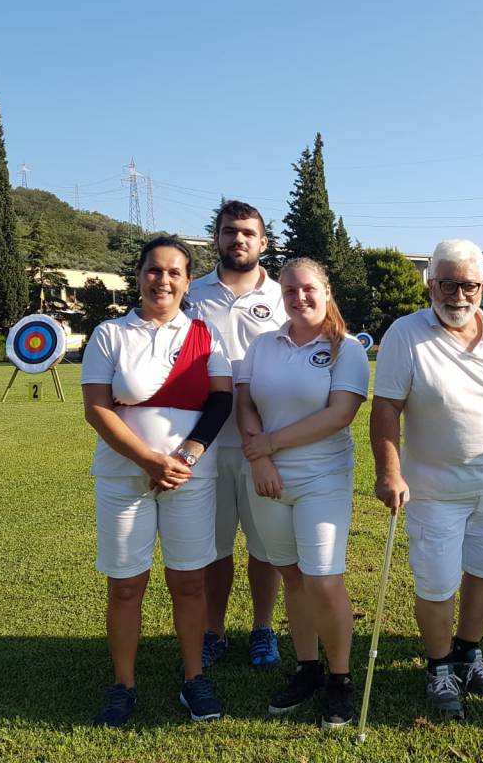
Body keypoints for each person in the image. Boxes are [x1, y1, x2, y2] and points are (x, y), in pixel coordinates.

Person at [82, 236, 234, 727]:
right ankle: (122, 685)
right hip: (124, 477)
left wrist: (186, 455)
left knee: (189, 582)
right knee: (127, 586)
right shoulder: (109, 334)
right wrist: (149, 459)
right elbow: (97, 408)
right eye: (154, 270)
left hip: (190, 477)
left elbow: (221, 401)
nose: (162, 280)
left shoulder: (206, 335)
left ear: (188, 281)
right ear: (140, 274)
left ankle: (194, 680)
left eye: (174, 272)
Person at [370, 239, 483, 720]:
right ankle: (439, 666)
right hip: (433, 490)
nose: (459, 295)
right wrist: (389, 471)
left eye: (469, 285)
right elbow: (386, 407)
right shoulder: (405, 334)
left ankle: (468, 652)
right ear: (431, 284)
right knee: (437, 584)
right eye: (448, 284)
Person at [236, 258, 370, 730]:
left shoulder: (345, 349)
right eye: (290, 290)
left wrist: (268, 445)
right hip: (268, 480)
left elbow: (338, 416)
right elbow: (244, 402)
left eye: (308, 288)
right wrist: (261, 459)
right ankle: (308, 669)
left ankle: (340, 679)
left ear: (326, 291)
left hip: (322, 479)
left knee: (323, 578)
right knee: (292, 575)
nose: (299, 297)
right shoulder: (262, 344)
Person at [189, 201, 287, 670]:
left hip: (265, 444)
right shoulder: (190, 293)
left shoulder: (285, 295)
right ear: (217, 239)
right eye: (230, 232)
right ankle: (214, 631)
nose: (239, 240)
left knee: (265, 547)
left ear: (263, 242)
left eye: (249, 232)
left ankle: (263, 629)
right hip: (203, 442)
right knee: (214, 547)